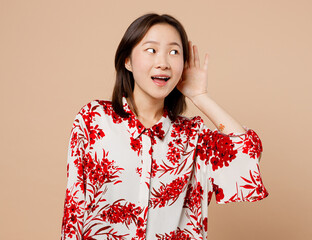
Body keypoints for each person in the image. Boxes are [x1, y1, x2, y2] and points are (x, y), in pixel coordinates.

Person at [61, 13, 269, 240]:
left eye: (174, 52)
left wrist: (200, 96)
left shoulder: (192, 137)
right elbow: (74, 212)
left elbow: (246, 152)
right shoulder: (94, 120)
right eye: (151, 50)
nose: (163, 63)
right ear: (127, 60)